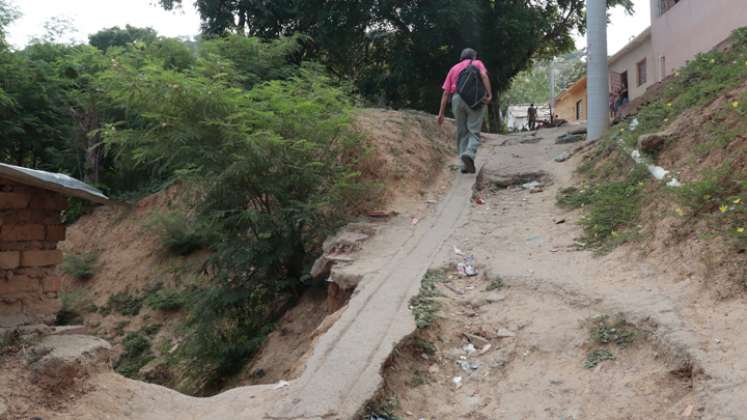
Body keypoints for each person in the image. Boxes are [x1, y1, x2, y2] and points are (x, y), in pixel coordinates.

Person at [437, 48, 492, 174]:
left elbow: (446, 92)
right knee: (474, 131)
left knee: (462, 132)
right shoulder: (477, 63)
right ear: (473, 57)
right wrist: (489, 94)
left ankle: (463, 165)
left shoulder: (453, 68)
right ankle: (469, 153)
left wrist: (441, 113)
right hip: (475, 100)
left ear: (461, 57)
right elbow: (483, 75)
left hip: (457, 99)